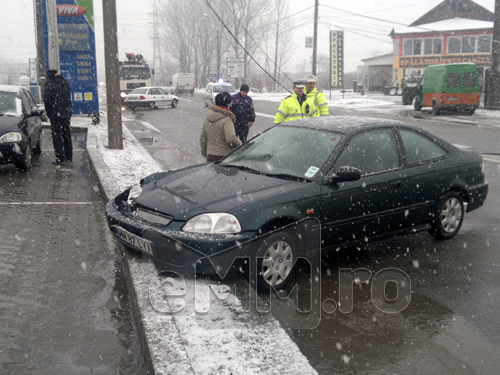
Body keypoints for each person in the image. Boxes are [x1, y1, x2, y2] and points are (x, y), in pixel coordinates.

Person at [200, 92, 242, 162]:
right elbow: (231, 138)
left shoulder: (208, 117)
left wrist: (206, 153)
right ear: (228, 104)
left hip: (211, 155)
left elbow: (203, 138)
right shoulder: (227, 119)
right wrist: (241, 145)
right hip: (224, 156)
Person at [44, 70, 73, 165]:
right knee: (67, 135)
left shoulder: (50, 85)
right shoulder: (65, 83)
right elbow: (68, 99)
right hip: (66, 114)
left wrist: (49, 113)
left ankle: (60, 158)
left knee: (57, 136)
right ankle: (69, 156)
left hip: (55, 115)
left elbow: (47, 101)